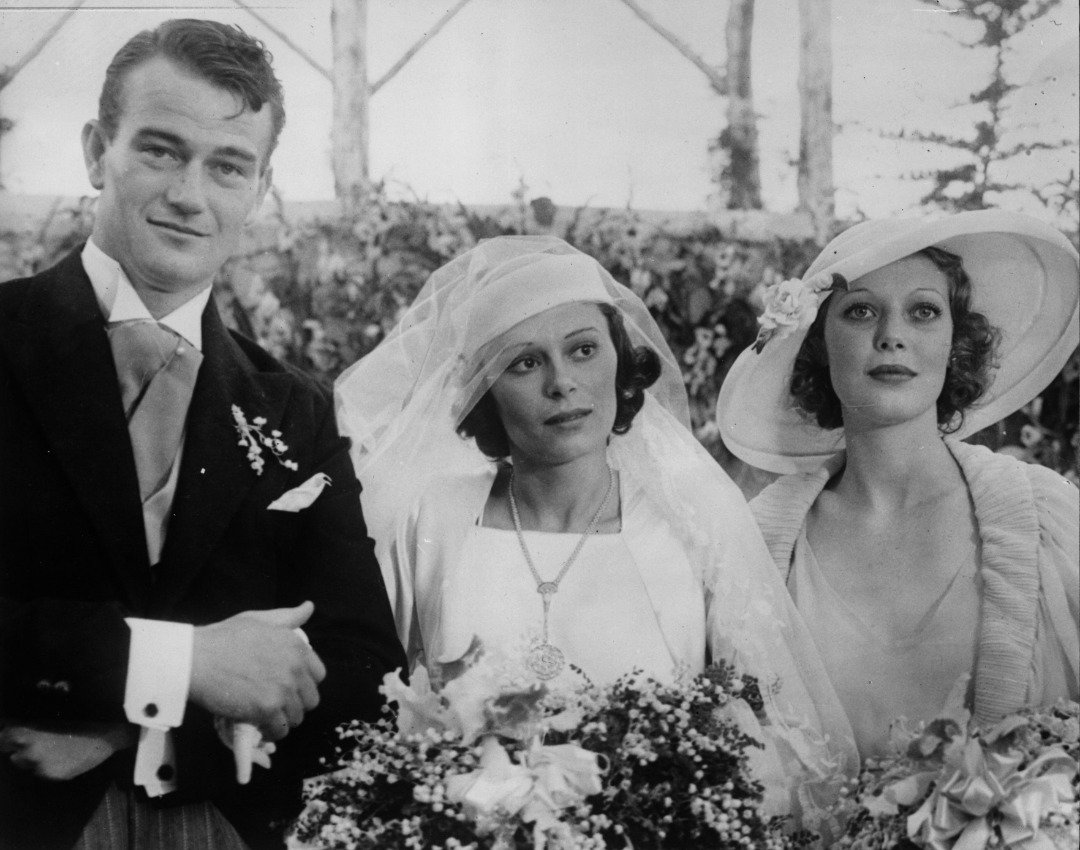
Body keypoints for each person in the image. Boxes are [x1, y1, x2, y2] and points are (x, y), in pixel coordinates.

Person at [0, 19, 404, 849]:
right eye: (160, 150)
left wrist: (140, 727)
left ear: (257, 190)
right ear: (94, 152)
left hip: (213, 819)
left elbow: (363, 670)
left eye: (227, 166)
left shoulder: (293, 407)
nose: (191, 194)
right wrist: (176, 665)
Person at [335, 235, 858, 828]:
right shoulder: (427, 519)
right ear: (485, 391)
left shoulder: (693, 522)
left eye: (583, 350)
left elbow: (776, 729)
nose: (562, 383)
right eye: (524, 363)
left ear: (620, 366)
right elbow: (369, 713)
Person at [717, 210, 1079, 761]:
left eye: (924, 312)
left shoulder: (1046, 517)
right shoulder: (757, 545)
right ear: (817, 345)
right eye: (861, 312)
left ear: (957, 343)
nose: (892, 337)